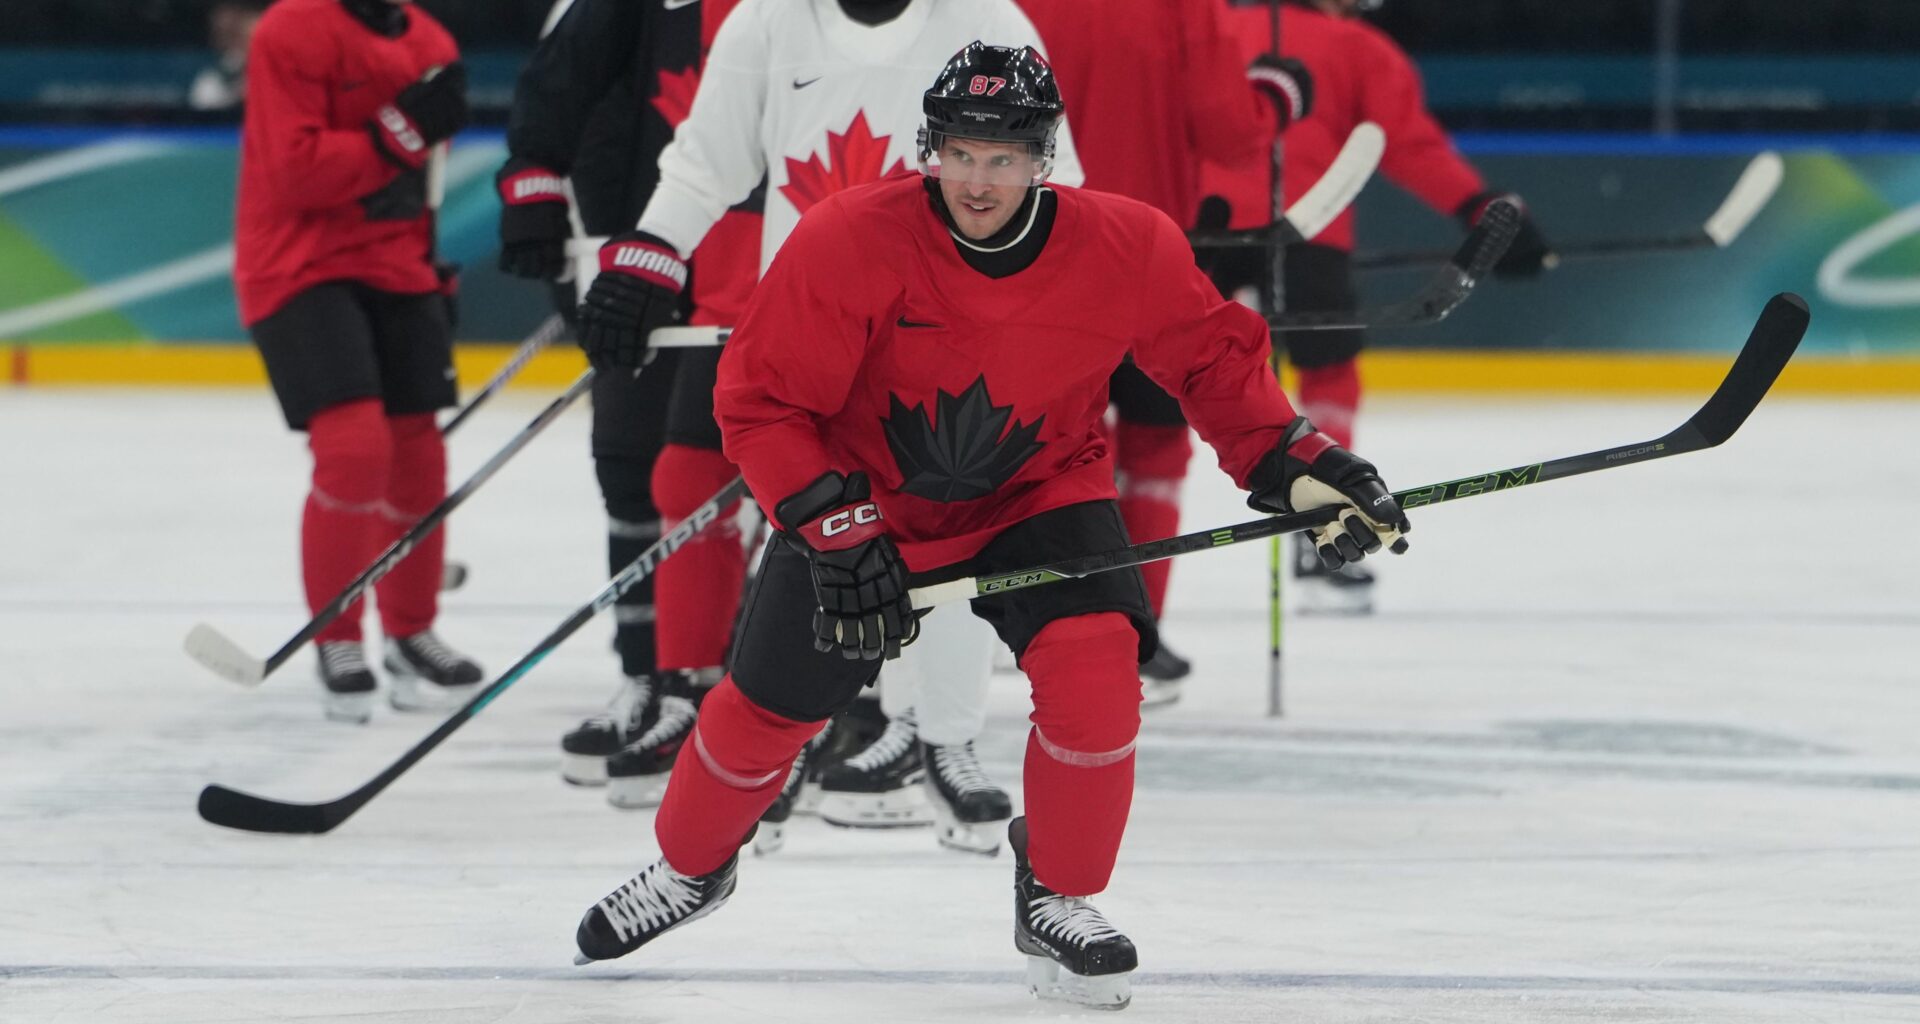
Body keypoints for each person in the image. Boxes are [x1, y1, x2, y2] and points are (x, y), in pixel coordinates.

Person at [570, 43, 1410, 1009]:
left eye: (1004, 156)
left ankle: (1056, 892)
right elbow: (760, 404)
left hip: (1040, 494)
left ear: (1043, 155)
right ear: (930, 147)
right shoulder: (850, 235)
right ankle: (689, 871)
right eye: (962, 153)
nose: (979, 178)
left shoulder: (1126, 242)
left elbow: (1216, 369)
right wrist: (836, 531)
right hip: (868, 506)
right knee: (768, 712)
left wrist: (1304, 469)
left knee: (1099, 676)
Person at [572, 0, 1085, 854]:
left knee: (953, 539)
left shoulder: (987, 20)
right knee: (811, 536)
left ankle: (938, 737)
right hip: (810, 333)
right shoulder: (766, 22)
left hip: (952, 337)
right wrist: (650, 255)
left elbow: (1057, 180)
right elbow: (706, 163)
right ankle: (798, 740)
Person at [1200, 0, 1552, 613]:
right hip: (1311, 227)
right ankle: (1330, 527)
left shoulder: (1209, 26)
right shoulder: (1358, 47)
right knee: (1329, 368)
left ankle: (1093, 543)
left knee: (1154, 380)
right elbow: (1409, 144)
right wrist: (1480, 207)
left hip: (1201, 225)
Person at [495, 0, 760, 795]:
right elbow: (559, 83)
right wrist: (536, 190)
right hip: (638, 250)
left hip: (759, 251)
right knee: (635, 464)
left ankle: (767, 687)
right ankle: (652, 674)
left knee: (757, 475)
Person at [1017, 0, 1314, 704]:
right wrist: (1277, 92)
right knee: (1153, 443)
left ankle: (1041, 620)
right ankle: (1132, 636)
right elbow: (1230, 130)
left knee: (1048, 444)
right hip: (1141, 248)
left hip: (1029, 247)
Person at [234, 0, 480, 724]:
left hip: (400, 268)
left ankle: (411, 631)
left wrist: (434, 269)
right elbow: (296, 172)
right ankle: (338, 636)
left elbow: (423, 175)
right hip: (298, 268)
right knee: (352, 449)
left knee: (419, 457)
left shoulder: (431, 38)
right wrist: (400, 132)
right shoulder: (292, 29)